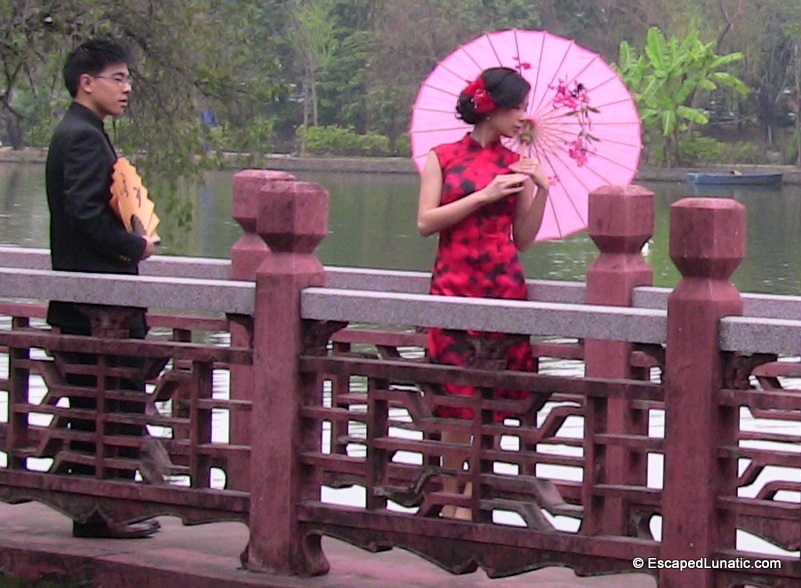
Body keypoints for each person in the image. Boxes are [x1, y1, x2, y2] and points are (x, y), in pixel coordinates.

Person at [416, 67, 550, 519]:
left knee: (493, 397)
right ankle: (454, 497)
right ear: (490, 106)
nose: (521, 117)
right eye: (515, 107)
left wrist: (540, 189)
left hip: (502, 286)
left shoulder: (516, 164)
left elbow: (525, 239)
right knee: (455, 400)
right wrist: (484, 194)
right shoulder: (442, 157)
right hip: (454, 285)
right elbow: (425, 222)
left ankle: (478, 499)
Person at [45, 38, 160, 538]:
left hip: (88, 300)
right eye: (118, 77)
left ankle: (98, 511)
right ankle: (104, 513)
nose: (127, 87)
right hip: (98, 304)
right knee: (112, 404)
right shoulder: (84, 137)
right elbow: (84, 215)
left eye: (128, 78)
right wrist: (136, 247)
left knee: (96, 405)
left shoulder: (79, 131)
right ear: (86, 82)